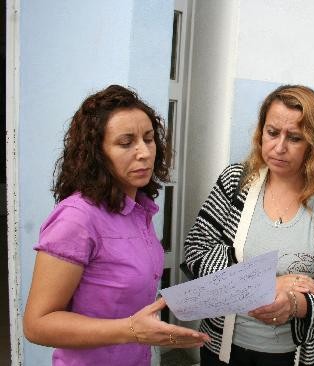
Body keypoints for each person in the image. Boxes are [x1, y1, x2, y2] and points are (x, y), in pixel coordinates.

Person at [23, 85, 210, 366]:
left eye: (148, 139)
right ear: (96, 153)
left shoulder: (138, 209)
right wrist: (131, 330)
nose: (144, 153)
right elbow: (37, 325)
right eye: (126, 143)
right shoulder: (77, 218)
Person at [183, 85, 314, 366]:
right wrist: (265, 283)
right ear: (260, 132)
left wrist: (296, 304)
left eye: (295, 138)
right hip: (222, 350)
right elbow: (196, 254)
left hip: (293, 357)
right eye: (272, 133)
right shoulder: (235, 183)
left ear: (313, 143)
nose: (279, 147)